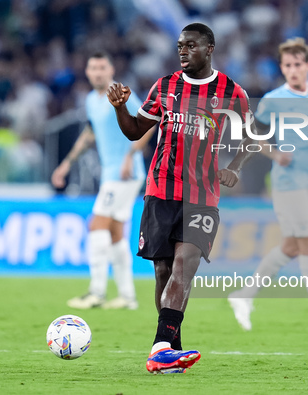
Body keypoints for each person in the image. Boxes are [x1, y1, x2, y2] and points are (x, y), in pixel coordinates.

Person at [106, 23, 256, 374]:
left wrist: (234, 166)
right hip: (160, 190)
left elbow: (252, 138)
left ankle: (159, 347)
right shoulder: (165, 87)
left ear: (210, 48)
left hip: (202, 195)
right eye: (179, 46)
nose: (183, 51)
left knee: (183, 266)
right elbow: (134, 131)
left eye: (190, 45)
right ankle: (172, 350)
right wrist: (120, 108)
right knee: (163, 271)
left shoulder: (232, 92)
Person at [228, 37, 308, 333]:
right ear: (282, 69)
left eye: (298, 64)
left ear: (307, 66)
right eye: (287, 65)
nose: (293, 70)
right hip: (287, 182)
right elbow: (252, 133)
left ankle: (244, 296)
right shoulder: (274, 99)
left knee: (291, 246)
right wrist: (273, 152)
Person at [52, 52, 153, 310]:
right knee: (115, 233)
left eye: (102, 67)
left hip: (122, 174)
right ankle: (127, 297)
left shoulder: (119, 94)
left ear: (110, 70)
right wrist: (66, 164)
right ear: (87, 72)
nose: (97, 72)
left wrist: (130, 156)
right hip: (114, 174)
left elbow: (150, 124)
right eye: (93, 68)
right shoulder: (91, 100)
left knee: (96, 225)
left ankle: (96, 292)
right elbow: (90, 134)